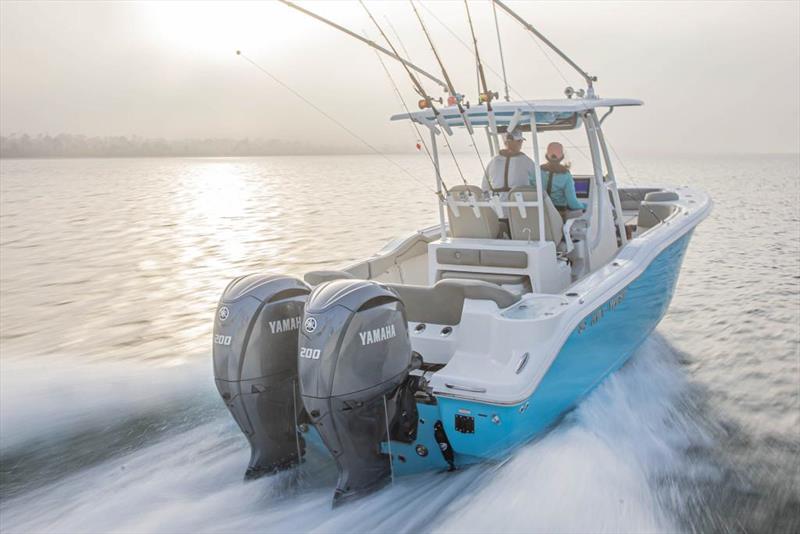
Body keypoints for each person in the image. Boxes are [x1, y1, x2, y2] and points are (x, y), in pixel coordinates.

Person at [535, 142, 586, 219]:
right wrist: (584, 206)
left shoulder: (537, 171)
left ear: (546, 156)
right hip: (558, 215)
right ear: (562, 156)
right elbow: (572, 203)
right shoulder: (566, 175)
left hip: (539, 213)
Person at [481, 129, 536, 201]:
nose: (521, 144)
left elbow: (484, 185)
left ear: (506, 143)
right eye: (520, 141)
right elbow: (538, 181)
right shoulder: (526, 161)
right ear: (519, 142)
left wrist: (489, 201)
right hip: (519, 205)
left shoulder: (493, 161)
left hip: (498, 205)